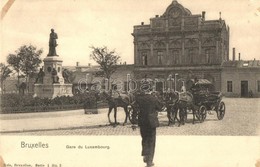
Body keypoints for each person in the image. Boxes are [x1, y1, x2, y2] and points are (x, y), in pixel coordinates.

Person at [135, 86, 163, 167]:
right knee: (151, 141)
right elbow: (160, 107)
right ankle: (149, 161)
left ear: (143, 90)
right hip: (151, 122)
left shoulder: (139, 98)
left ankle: (145, 155)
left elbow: (135, 108)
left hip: (142, 122)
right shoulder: (153, 98)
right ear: (150, 90)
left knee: (144, 139)